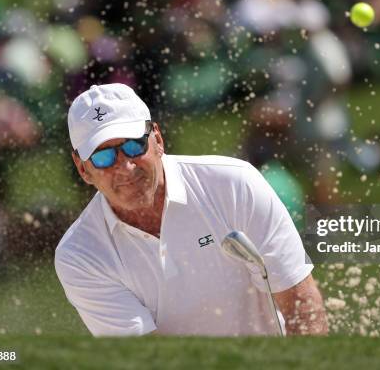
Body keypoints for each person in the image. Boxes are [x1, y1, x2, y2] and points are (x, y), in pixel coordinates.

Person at [54, 83, 328, 337]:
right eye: (103, 156)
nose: (125, 166)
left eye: (132, 145)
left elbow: (301, 304)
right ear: (82, 169)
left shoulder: (234, 184)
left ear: (157, 139)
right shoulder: (79, 254)